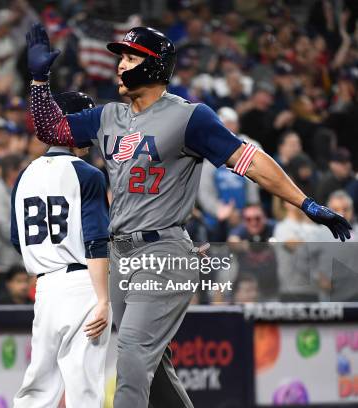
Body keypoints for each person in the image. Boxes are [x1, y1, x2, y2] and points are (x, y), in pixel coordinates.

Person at [26, 23, 350, 407]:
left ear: (153, 67)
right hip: (120, 255)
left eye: (129, 57)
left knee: (130, 357)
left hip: (162, 252)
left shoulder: (189, 118)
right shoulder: (108, 116)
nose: (120, 66)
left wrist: (305, 202)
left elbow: (250, 160)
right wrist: (38, 82)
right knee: (154, 367)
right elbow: (51, 128)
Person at [11, 91, 111, 407]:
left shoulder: (24, 174)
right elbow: (96, 240)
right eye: (86, 121)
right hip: (83, 283)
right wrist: (104, 298)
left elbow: (17, 239)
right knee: (84, 387)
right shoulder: (88, 174)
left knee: (38, 388)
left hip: (45, 285)